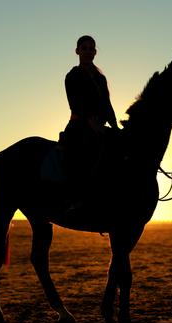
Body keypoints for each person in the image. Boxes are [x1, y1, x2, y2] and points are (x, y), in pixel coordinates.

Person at [61, 35, 118, 206]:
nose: (87, 51)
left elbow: (107, 104)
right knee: (82, 155)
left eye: (91, 48)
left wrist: (114, 126)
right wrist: (89, 123)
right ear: (77, 51)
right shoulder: (72, 76)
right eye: (84, 48)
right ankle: (74, 199)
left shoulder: (101, 78)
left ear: (95, 52)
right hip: (80, 125)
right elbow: (74, 104)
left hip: (100, 125)